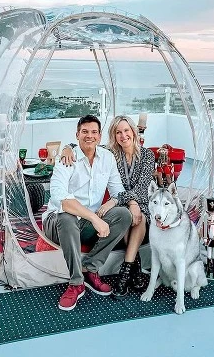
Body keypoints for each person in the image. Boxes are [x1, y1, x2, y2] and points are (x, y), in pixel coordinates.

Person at [42, 115, 132, 311]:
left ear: (99, 136)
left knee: (124, 215)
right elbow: (61, 199)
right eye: (84, 132)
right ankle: (76, 283)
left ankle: (90, 268)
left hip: (88, 223)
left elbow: (118, 192)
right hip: (57, 222)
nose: (89, 136)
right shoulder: (66, 158)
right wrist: (94, 219)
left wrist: (109, 205)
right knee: (67, 217)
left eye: (93, 132)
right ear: (77, 135)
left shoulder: (107, 158)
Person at [61, 115, 155, 298]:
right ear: (114, 135)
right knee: (126, 215)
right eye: (118, 132)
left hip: (141, 202)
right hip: (121, 204)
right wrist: (67, 148)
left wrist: (118, 201)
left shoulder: (147, 155)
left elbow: (142, 188)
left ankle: (126, 270)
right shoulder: (111, 153)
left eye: (126, 130)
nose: (123, 135)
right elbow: (87, 142)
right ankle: (134, 266)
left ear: (133, 131)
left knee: (140, 218)